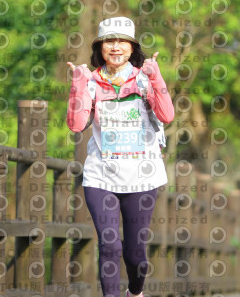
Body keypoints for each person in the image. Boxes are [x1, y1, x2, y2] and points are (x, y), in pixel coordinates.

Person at [66, 16, 174, 297]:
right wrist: (78, 84)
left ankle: (135, 293)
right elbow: (77, 125)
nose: (115, 47)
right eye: (109, 41)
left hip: (143, 174)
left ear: (132, 47)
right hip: (101, 174)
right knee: (110, 244)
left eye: (122, 41)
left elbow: (167, 115)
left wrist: (155, 76)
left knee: (135, 253)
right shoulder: (91, 81)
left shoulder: (145, 77)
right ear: (100, 47)